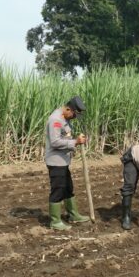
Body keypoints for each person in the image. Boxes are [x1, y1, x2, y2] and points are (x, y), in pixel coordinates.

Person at [44, 96, 91, 230]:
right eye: (74, 114)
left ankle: (73, 215)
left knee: (68, 188)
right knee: (58, 189)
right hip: (55, 162)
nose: (74, 117)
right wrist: (75, 142)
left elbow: (66, 136)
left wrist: (78, 140)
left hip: (63, 161)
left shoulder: (65, 118)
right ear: (68, 109)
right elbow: (55, 142)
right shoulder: (56, 120)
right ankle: (55, 221)